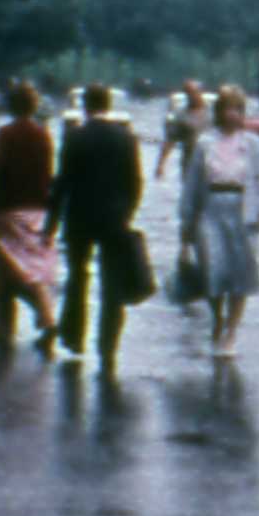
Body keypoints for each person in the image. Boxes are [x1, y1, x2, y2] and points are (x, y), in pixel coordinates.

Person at [44, 84, 148, 370]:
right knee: (112, 284)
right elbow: (135, 181)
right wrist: (127, 212)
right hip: (114, 218)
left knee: (78, 277)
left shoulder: (75, 137)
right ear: (109, 104)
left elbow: (62, 183)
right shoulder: (126, 138)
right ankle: (107, 347)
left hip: (79, 218)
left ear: (85, 106)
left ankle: (74, 336)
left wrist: (50, 225)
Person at [179, 81, 259, 356]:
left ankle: (231, 331)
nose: (233, 114)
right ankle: (217, 317)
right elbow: (192, 184)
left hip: (242, 211)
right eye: (228, 108)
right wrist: (187, 223)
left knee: (240, 275)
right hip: (211, 210)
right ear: (218, 112)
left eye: (237, 109)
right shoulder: (205, 143)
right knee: (214, 271)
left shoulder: (253, 143)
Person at [0, 80, 60, 349]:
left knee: (6, 267)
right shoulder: (43, 135)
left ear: (11, 106)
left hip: (7, 207)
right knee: (23, 265)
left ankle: (11, 325)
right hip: (36, 208)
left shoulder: (6, 134)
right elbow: (48, 173)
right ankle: (40, 317)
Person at [155, 77, 211, 180]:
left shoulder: (213, 113)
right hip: (189, 164)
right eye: (188, 93)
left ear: (201, 92)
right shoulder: (181, 116)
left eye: (194, 92)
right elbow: (170, 141)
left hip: (211, 164)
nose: (192, 96)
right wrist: (161, 164)